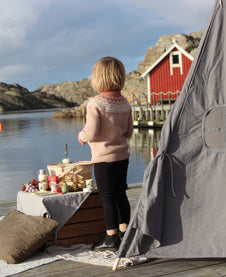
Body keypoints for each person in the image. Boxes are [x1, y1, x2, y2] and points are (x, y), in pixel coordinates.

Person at [78, 56, 133, 251]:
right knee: (120, 195)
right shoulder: (125, 103)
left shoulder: (96, 103)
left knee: (107, 198)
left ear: (98, 78)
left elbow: (91, 132)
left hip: (103, 159)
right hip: (122, 157)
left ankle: (111, 238)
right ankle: (125, 232)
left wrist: (82, 135)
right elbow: (129, 132)